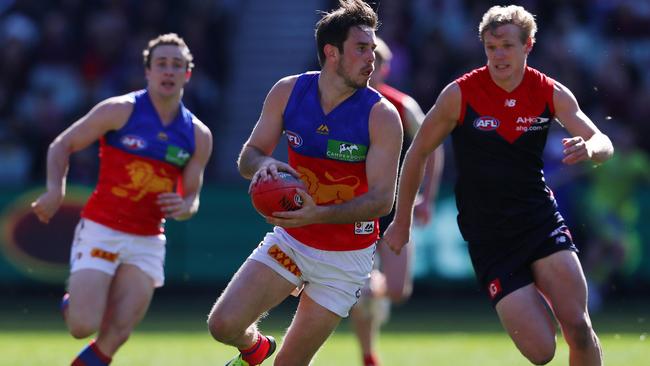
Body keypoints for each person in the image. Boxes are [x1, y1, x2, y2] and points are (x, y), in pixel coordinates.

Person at [382, 5, 612, 366]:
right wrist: (403, 220)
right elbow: (418, 153)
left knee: (579, 328)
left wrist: (590, 147)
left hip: (540, 222)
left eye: (506, 45)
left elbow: (602, 141)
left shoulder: (548, 91)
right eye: (491, 47)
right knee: (542, 351)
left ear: (528, 46)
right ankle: (534, 307)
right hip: (490, 238)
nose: (498, 55)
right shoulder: (460, 94)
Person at [206, 1, 403, 365]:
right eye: (361, 49)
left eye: (372, 49)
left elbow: (380, 202)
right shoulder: (288, 92)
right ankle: (254, 348)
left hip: (346, 260)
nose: (371, 59)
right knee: (222, 325)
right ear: (332, 53)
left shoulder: (382, 116)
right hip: (292, 241)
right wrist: (264, 163)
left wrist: (318, 213)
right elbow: (248, 157)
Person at [31, 33, 213, 366]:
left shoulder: (198, 134)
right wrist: (55, 189)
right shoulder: (120, 110)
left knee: (119, 331)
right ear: (148, 72)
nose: (169, 71)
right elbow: (62, 144)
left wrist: (185, 208)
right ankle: (76, 302)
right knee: (82, 326)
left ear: (188, 74)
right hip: (102, 228)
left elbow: (192, 197)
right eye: (161, 64)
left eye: (177, 65)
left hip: (148, 239)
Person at [349, 37, 444, 366]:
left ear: (386, 68)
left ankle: (372, 293)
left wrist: (426, 198)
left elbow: (432, 148)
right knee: (362, 292)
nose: (370, 70)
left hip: (394, 209)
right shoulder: (342, 105)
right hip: (352, 209)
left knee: (397, 291)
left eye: (376, 63)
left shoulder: (402, 107)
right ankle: (368, 355)